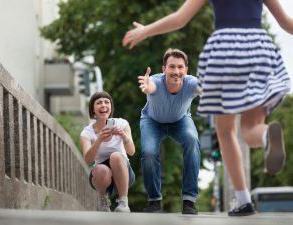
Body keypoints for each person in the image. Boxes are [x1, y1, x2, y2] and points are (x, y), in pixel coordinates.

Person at [122, 0, 293, 216]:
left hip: (224, 51)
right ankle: (267, 135)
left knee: (226, 131)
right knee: (251, 129)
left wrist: (146, 30)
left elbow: (180, 18)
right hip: (259, 48)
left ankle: (244, 201)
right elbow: (287, 23)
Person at [136, 48, 201, 214]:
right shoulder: (156, 82)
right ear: (164, 69)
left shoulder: (191, 83)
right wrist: (146, 85)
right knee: (149, 153)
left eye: (180, 67)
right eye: (172, 67)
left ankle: (189, 201)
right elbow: (150, 86)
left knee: (192, 140)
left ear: (186, 70)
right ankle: (154, 201)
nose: (176, 71)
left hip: (180, 120)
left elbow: (203, 89)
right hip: (152, 121)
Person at [80, 91, 136, 212]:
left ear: (111, 107)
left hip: (124, 173)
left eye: (107, 102)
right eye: (99, 103)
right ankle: (103, 201)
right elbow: (88, 160)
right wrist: (99, 140)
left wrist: (123, 136)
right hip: (101, 178)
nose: (103, 105)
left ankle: (123, 202)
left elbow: (131, 151)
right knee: (100, 168)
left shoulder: (122, 123)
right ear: (93, 109)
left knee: (116, 156)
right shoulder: (87, 132)